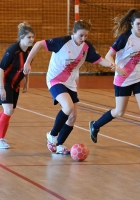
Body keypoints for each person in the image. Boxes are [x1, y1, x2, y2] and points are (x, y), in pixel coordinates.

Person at [23, 20, 126, 155]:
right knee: (68, 107)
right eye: (81, 35)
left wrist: (113, 66)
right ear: (73, 33)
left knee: (72, 117)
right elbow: (39, 44)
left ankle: (58, 145)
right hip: (55, 79)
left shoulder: (86, 47)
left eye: (86, 36)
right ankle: (52, 135)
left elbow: (99, 59)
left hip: (70, 83)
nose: (83, 39)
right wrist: (28, 62)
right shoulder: (63, 42)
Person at [89, 9, 140, 152]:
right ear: (132, 24)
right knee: (119, 112)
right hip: (123, 78)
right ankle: (95, 125)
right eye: (138, 23)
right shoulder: (124, 38)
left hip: (139, 77)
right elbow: (109, 55)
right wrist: (116, 67)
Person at [0, 22, 35, 149]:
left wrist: (26, 82)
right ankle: (0, 140)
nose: (32, 40)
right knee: (8, 110)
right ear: (21, 37)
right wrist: (1, 87)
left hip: (15, 83)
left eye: (33, 37)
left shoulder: (30, 51)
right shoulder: (12, 50)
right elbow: (1, 69)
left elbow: (27, 67)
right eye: (29, 37)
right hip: (4, 81)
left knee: (9, 110)